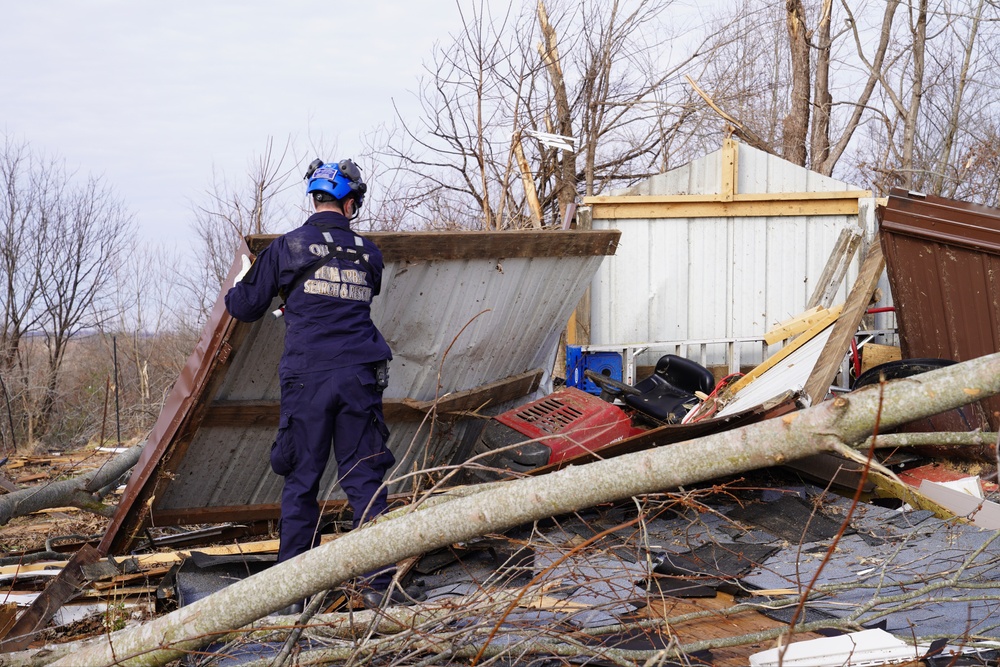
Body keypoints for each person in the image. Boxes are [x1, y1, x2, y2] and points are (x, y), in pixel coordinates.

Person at [225, 158, 397, 605]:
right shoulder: (369, 252)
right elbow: (361, 291)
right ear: (351, 202)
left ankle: (291, 595)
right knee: (365, 480)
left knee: (302, 481)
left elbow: (243, 307)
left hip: (308, 380)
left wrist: (247, 276)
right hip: (360, 376)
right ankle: (380, 587)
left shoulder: (287, 247)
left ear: (315, 198)